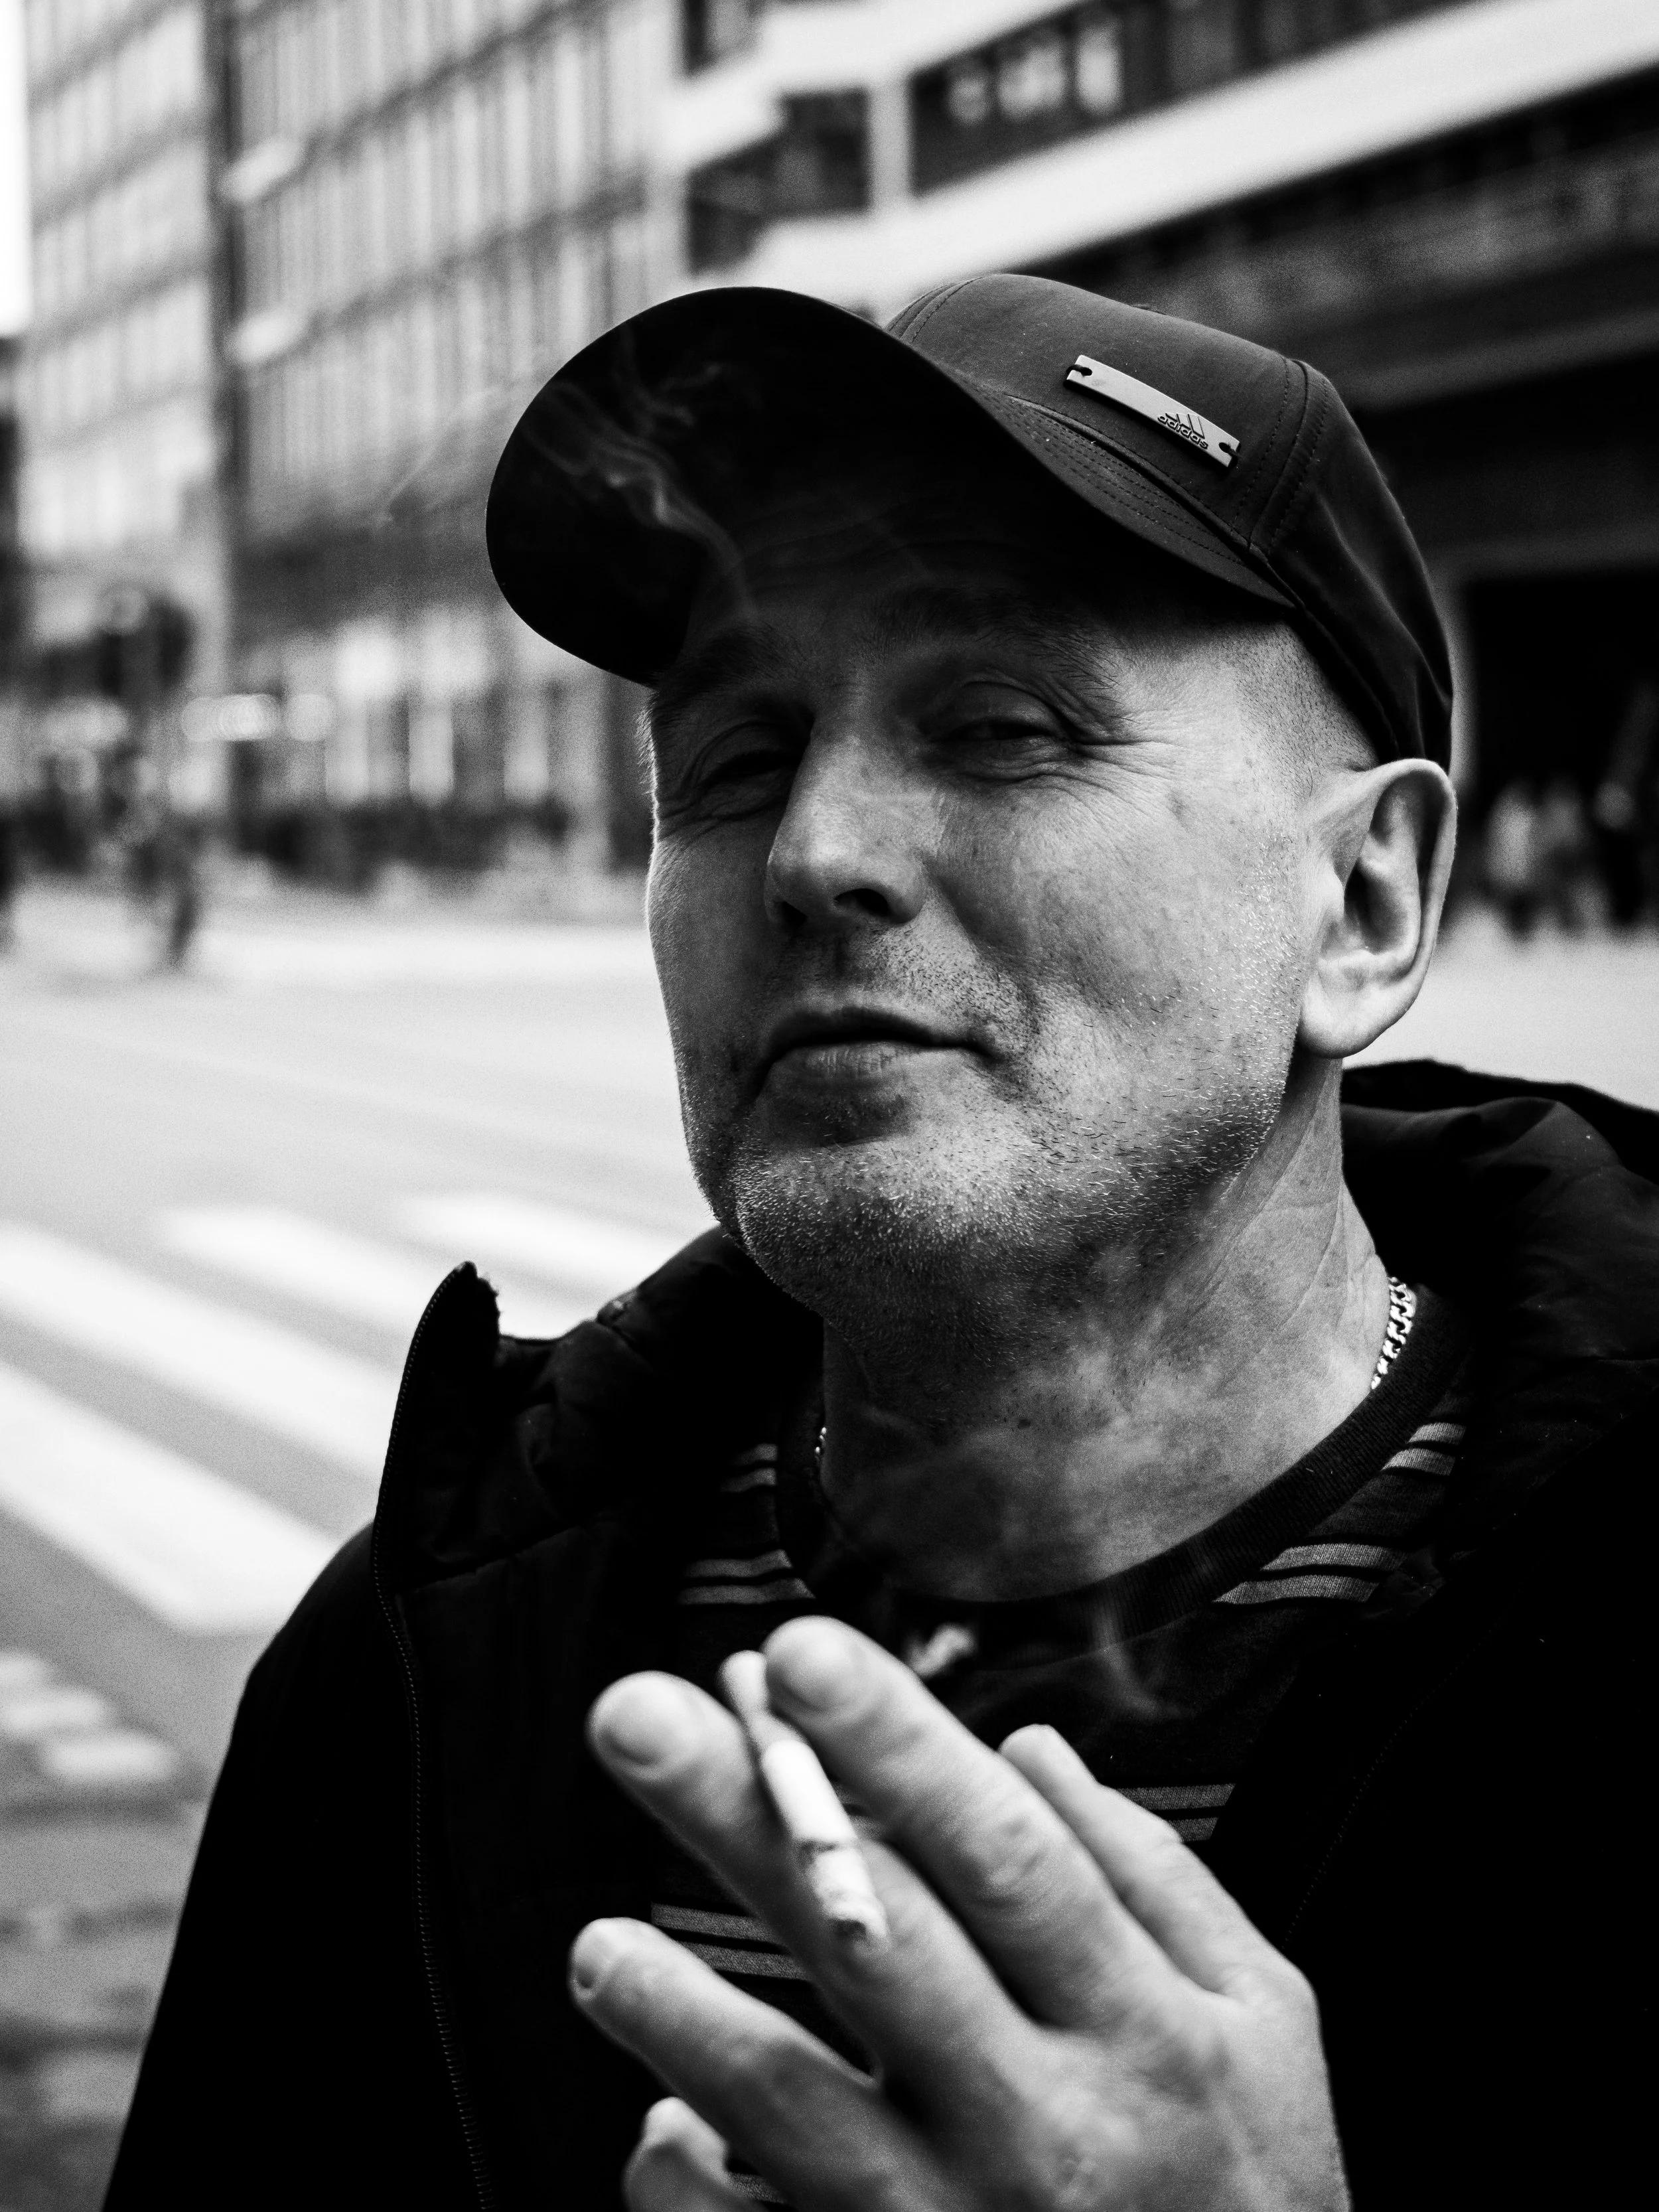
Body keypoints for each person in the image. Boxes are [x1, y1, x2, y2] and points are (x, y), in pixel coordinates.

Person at [106, 278, 1652, 2211]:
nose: (814, 851)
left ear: (1360, 901)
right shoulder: (418, 1674)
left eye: (999, 730)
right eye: (734, 763)